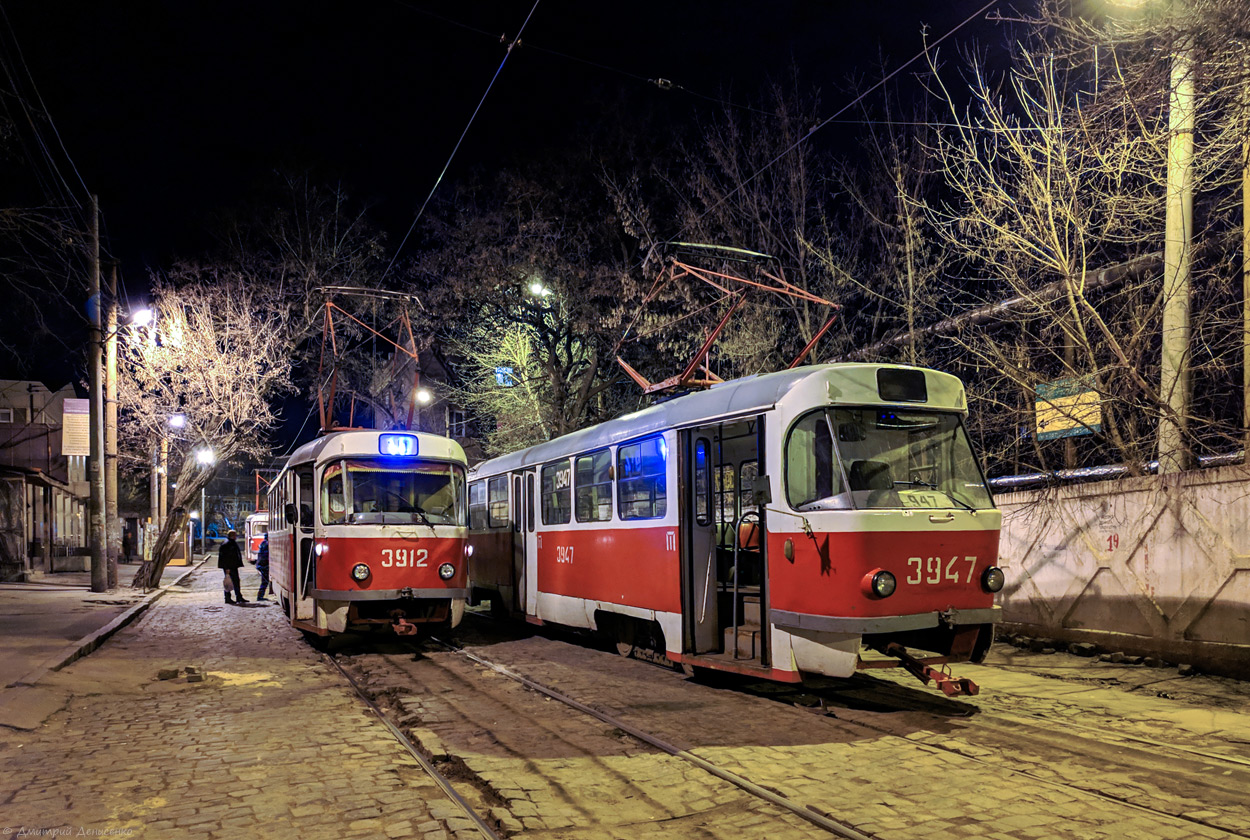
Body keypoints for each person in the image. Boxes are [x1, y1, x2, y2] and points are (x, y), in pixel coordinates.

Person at [218, 530, 248, 605]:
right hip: (230, 566)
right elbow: (225, 557)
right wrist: (227, 568)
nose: (236, 537)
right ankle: (230, 598)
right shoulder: (228, 544)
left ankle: (237, 597)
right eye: (235, 535)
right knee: (231, 582)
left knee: (234, 581)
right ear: (232, 536)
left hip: (232, 566)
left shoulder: (229, 542)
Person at [255, 534, 271, 602]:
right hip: (264, 565)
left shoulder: (263, 543)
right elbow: (266, 556)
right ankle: (260, 596)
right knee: (264, 582)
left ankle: (260, 596)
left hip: (261, 565)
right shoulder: (267, 544)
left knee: (264, 581)